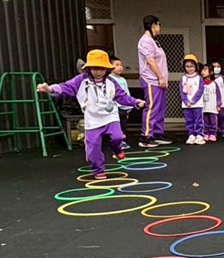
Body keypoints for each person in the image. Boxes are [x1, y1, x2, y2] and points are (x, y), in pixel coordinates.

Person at [37, 50, 144, 179]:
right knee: (93, 148)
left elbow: (122, 96)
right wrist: (49, 89)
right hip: (92, 120)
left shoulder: (111, 82)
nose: (98, 72)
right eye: (95, 68)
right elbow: (65, 87)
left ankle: (117, 149)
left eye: (102, 69)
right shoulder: (81, 80)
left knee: (117, 137)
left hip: (110, 117)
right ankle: (98, 170)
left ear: (107, 69)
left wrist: (135, 102)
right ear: (89, 68)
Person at [137, 15, 171, 148]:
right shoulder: (145, 41)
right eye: (159, 25)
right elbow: (150, 61)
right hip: (151, 79)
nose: (160, 28)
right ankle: (146, 136)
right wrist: (160, 77)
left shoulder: (154, 41)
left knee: (160, 108)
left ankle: (157, 133)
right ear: (153, 25)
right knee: (151, 107)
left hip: (159, 81)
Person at [109, 55, 134, 150]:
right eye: (117, 65)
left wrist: (130, 104)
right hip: (115, 106)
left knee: (123, 124)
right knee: (116, 125)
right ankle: (116, 142)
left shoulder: (122, 79)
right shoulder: (109, 79)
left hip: (124, 106)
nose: (120, 67)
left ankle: (122, 141)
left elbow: (126, 92)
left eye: (121, 65)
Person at [181, 54, 204, 145]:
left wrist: (194, 100)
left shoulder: (199, 78)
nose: (189, 68)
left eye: (192, 66)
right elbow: (182, 91)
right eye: (187, 66)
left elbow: (200, 90)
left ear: (195, 67)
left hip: (197, 104)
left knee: (198, 119)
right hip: (186, 104)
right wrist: (186, 101)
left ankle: (199, 135)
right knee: (189, 120)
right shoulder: (183, 78)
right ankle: (191, 134)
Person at [200, 63, 224, 142]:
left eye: (205, 70)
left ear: (211, 72)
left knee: (213, 121)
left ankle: (213, 133)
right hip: (203, 106)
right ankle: (206, 133)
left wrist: (219, 104)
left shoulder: (214, 84)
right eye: (202, 70)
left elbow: (218, 95)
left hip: (212, 107)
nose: (202, 72)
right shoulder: (201, 83)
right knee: (205, 120)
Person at [212, 60, 224, 137]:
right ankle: (214, 131)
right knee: (213, 118)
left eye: (218, 66)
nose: (216, 68)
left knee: (223, 116)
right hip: (212, 103)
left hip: (223, 102)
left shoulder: (223, 79)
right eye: (214, 66)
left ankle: (223, 130)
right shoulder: (209, 78)